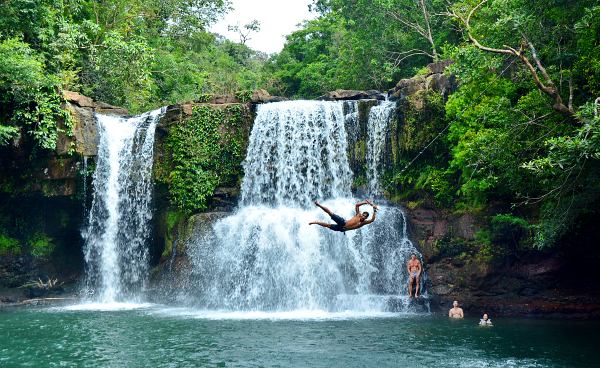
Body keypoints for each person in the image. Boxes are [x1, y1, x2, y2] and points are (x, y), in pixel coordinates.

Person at [309, 200, 378, 233]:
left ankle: (316, 222)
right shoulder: (358, 215)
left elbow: (372, 220)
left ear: (366, 218)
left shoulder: (364, 223)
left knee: (328, 225)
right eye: (363, 215)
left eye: (364, 216)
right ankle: (318, 204)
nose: (363, 216)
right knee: (330, 213)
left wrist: (374, 210)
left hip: (342, 229)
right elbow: (357, 205)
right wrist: (365, 202)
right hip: (343, 222)